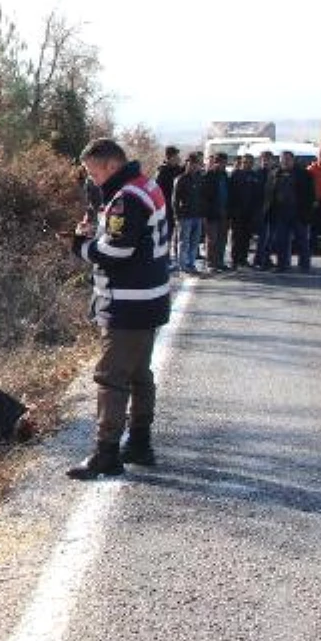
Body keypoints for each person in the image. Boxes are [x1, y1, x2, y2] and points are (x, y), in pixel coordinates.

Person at [61, 138, 171, 479]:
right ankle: (139, 442)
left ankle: (105, 453)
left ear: (110, 165)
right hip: (148, 299)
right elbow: (129, 240)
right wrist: (99, 233)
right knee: (139, 374)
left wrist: (81, 246)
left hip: (128, 303)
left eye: (93, 172)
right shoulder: (145, 186)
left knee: (111, 377)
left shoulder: (126, 198)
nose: (92, 179)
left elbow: (118, 253)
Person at [266, 150, 316, 273]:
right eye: (283, 159)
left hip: (298, 212)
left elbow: (311, 194)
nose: (285, 162)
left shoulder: (304, 174)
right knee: (281, 241)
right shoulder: (274, 173)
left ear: (293, 160)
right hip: (280, 213)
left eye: (288, 159)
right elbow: (269, 193)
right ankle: (282, 265)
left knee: (302, 240)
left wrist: (309, 210)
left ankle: (304, 265)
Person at [171, 152, 205, 275]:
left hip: (198, 215)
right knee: (184, 241)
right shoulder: (180, 179)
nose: (194, 166)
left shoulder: (200, 178)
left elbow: (203, 197)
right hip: (185, 216)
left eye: (196, 164)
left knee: (194, 242)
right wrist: (177, 215)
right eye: (191, 163)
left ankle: (191, 263)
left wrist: (202, 213)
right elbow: (174, 200)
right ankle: (183, 265)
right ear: (187, 163)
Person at [227, 153, 261, 267]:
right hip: (237, 211)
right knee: (237, 237)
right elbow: (230, 194)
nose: (247, 164)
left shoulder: (254, 175)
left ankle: (243, 258)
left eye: (250, 162)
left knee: (247, 237)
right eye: (245, 162)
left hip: (250, 212)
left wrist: (256, 211)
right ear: (241, 163)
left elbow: (257, 195)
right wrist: (231, 211)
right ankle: (235, 259)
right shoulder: (236, 174)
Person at [201, 152, 230, 272]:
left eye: (224, 163)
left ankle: (219, 261)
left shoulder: (225, 175)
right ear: (215, 162)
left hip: (224, 211)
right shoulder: (209, 175)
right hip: (212, 213)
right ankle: (210, 263)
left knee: (222, 239)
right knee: (212, 239)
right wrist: (206, 212)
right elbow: (204, 196)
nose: (222, 165)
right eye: (220, 162)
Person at [253, 150, 278, 269]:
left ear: (272, 160)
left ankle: (265, 258)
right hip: (260, 209)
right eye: (264, 159)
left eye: (268, 159)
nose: (266, 162)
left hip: (273, 209)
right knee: (263, 237)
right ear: (260, 160)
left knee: (271, 237)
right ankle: (260, 260)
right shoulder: (256, 174)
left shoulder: (275, 173)